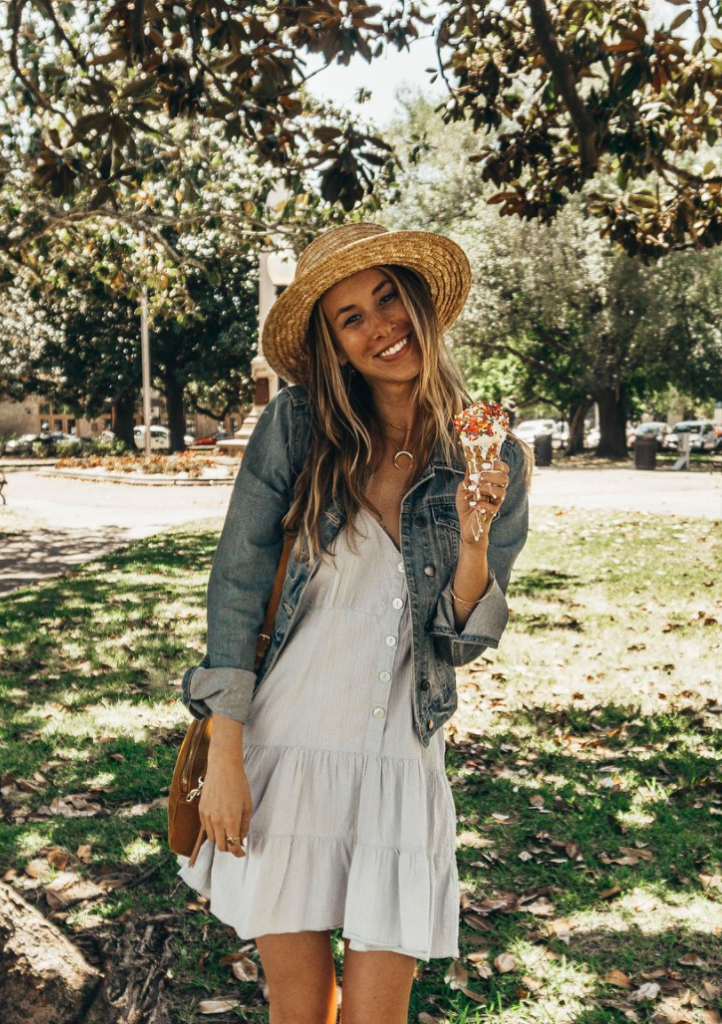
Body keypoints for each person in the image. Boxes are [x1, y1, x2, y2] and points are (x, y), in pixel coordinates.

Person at [176, 222, 532, 1024]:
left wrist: (472, 543)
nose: (381, 327)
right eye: (351, 317)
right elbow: (236, 584)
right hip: (284, 748)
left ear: (419, 304)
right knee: (299, 1011)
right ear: (333, 344)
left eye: (387, 299)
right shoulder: (297, 428)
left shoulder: (491, 453)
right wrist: (225, 758)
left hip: (399, 761)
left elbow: (464, 640)